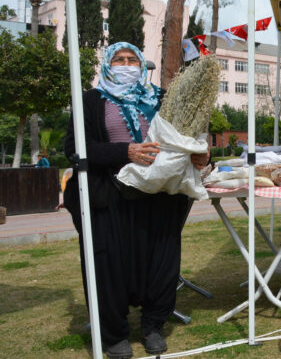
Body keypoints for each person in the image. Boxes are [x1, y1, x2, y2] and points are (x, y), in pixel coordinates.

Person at [64, 42, 209, 359]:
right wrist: (125, 151)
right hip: (111, 195)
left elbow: (186, 135)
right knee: (109, 265)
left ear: (143, 65)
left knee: (160, 263)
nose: (126, 64)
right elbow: (75, 149)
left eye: (133, 59)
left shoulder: (160, 98)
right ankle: (114, 335)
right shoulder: (90, 101)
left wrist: (200, 153)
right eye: (119, 59)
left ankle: (153, 325)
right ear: (107, 64)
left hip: (159, 196)